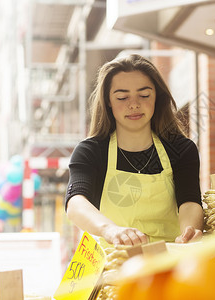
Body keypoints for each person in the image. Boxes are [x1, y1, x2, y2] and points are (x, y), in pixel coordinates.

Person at [65, 54, 204, 246]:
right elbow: (76, 203)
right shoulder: (91, 151)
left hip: (165, 260)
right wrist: (110, 230)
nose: (134, 104)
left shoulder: (181, 149)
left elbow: (189, 201)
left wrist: (189, 232)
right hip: (111, 262)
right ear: (108, 101)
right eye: (122, 97)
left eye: (144, 95)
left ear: (157, 97)